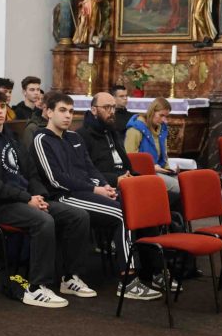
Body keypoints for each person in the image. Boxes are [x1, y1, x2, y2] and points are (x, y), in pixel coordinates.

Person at [0, 89, 93, 308]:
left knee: (78, 216)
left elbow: (31, 172)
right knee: (43, 221)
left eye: (2, 106)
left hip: (24, 199)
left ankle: (70, 277)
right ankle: (36, 287)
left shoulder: (11, 137)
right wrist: (27, 199)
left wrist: (39, 196)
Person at [34, 92, 159, 301]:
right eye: (62, 110)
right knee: (122, 214)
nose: (68, 116)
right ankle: (128, 282)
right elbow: (56, 179)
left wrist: (104, 185)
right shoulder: (42, 139)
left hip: (86, 191)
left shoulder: (74, 137)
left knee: (135, 205)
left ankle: (153, 270)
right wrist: (95, 189)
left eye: (71, 111)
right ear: (48, 112)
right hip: (63, 196)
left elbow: (90, 168)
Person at [125, 97, 181, 196]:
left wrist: (169, 170)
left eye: (166, 116)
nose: (163, 120)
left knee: (186, 182)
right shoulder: (136, 129)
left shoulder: (162, 128)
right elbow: (130, 159)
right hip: (143, 173)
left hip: (159, 170)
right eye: (161, 115)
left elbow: (164, 155)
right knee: (180, 187)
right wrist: (152, 167)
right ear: (152, 111)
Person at [80, 89, 130, 186]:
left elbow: (124, 163)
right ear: (94, 110)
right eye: (107, 107)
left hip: (124, 179)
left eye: (113, 107)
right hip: (105, 185)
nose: (112, 112)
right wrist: (115, 180)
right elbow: (86, 171)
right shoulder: (82, 135)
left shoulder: (113, 131)